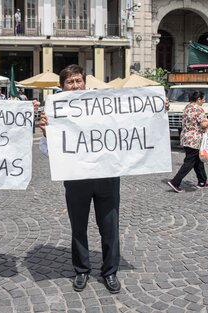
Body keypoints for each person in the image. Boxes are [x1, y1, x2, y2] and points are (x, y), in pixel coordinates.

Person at [39, 64, 121, 294]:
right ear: (62, 87)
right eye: (70, 82)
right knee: (78, 226)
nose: (75, 85)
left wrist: (156, 110)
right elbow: (48, 152)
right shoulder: (54, 112)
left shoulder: (103, 104)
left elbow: (125, 125)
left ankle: (110, 271)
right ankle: (81, 269)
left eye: (78, 80)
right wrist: (47, 132)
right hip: (76, 178)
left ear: (85, 82)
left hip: (107, 175)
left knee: (110, 226)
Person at [168, 91, 208, 193]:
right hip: (194, 139)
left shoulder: (187, 107)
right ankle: (175, 182)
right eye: (203, 99)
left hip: (186, 137)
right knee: (189, 162)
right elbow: (203, 125)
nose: (204, 101)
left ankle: (202, 181)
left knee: (198, 161)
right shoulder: (199, 109)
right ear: (198, 99)